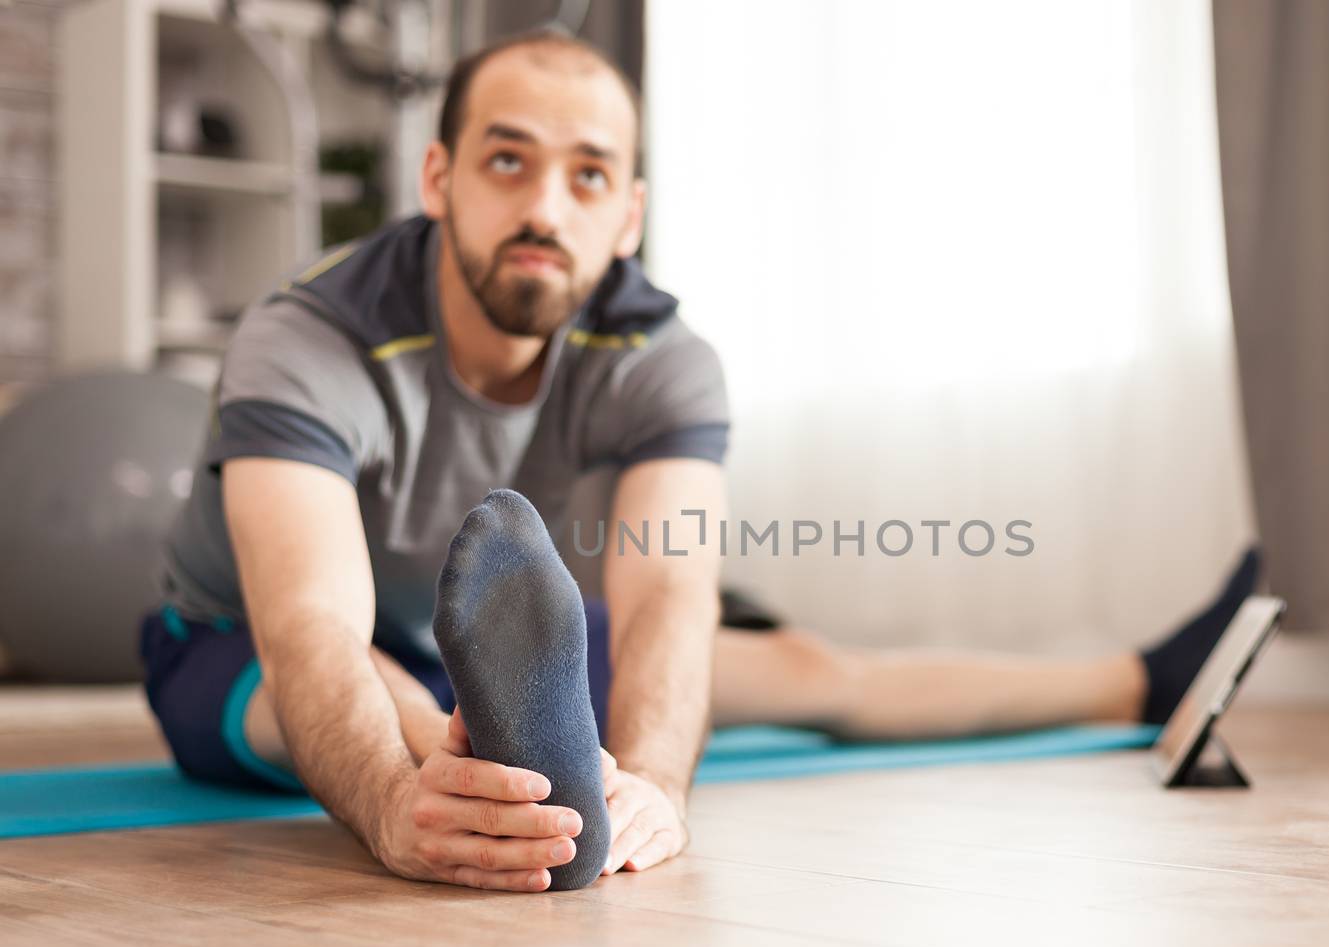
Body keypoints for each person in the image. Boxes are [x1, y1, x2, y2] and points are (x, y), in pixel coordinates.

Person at [139, 29, 1260, 894]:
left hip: (475, 636)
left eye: (586, 176)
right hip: (241, 647)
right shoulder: (312, 336)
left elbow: (669, 584)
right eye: (507, 161)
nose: (543, 205)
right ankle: (499, 771)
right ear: (438, 179)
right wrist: (392, 803)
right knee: (372, 690)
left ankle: (1137, 679)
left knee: (804, 663)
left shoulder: (662, 356)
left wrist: (662, 785)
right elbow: (309, 628)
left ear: (627, 214)